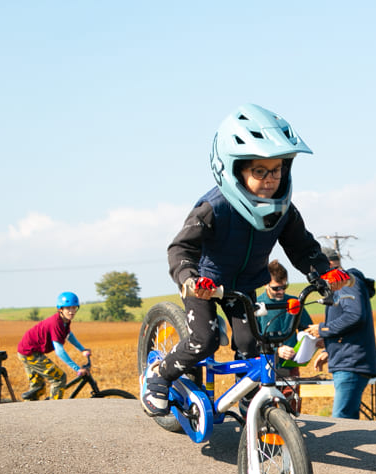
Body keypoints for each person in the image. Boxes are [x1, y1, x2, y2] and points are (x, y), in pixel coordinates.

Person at [140, 103, 350, 417]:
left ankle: (249, 403)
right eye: (259, 171)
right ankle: (160, 373)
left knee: (254, 348)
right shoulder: (215, 207)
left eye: (276, 170)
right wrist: (190, 279)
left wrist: (322, 273)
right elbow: (180, 249)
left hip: (246, 287)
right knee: (205, 340)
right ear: (237, 170)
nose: (270, 179)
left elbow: (302, 247)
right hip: (207, 284)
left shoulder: (283, 211)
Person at [305, 247, 376, 419]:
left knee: (342, 420)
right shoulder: (345, 284)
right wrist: (329, 349)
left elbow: (354, 316)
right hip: (348, 360)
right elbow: (348, 322)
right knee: (349, 420)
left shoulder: (345, 283)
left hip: (351, 363)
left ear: (327, 264)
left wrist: (322, 329)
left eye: (317, 271)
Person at [18, 291, 91, 400]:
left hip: (29, 350)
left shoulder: (65, 321)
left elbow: (69, 335)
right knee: (59, 378)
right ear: (60, 309)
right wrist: (77, 369)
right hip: (30, 353)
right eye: (68, 308)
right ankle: (54, 410)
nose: (71, 312)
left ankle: (29, 411)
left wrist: (82, 349)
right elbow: (59, 351)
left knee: (38, 388)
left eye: (74, 308)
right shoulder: (55, 323)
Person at [256, 259, 313, 376]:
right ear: (266, 284)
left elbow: (307, 329)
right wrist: (277, 351)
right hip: (265, 366)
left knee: (291, 395)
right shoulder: (257, 306)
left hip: (290, 366)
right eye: (276, 288)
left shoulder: (294, 302)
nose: (281, 291)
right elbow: (252, 340)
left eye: (284, 286)